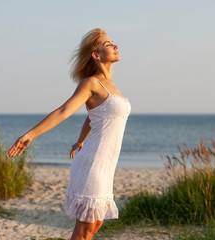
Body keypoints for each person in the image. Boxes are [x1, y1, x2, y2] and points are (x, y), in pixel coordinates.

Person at [8, 28, 131, 240]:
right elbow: (64, 111)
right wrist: (30, 134)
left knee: (95, 225)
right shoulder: (91, 83)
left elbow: (93, 116)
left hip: (104, 165)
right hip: (93, 165)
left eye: (113, 42)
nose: (115, 46)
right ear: (96, 54)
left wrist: (80, 140)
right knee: (84, 231)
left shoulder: (111, 85)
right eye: (108, 44)